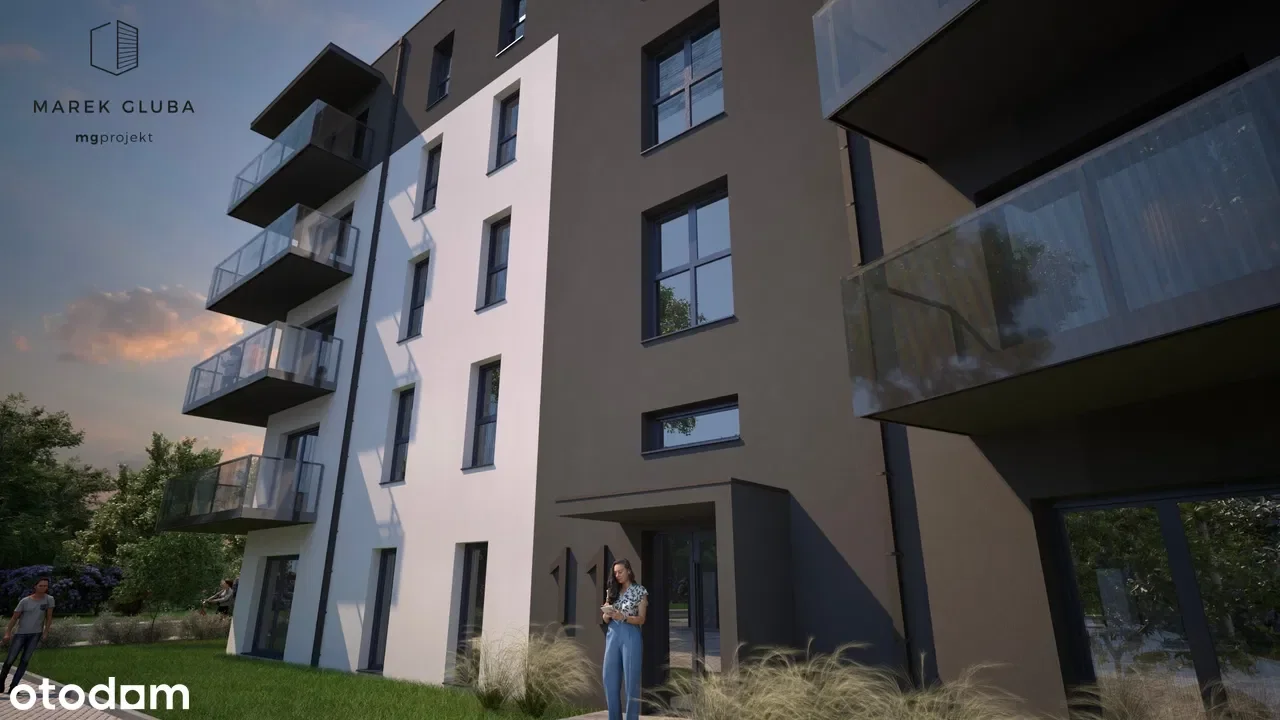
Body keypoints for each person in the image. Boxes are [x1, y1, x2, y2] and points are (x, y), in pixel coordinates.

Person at [600, 558, 647, 720]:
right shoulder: (612, 591)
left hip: (630, 635)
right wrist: (607, 614)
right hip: (613, 635)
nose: (617, 575)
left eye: (620, 572)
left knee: (631, 681)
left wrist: (624, 617)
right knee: (609, 678)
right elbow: (605, 619)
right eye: (615, 573)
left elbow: (642, 619)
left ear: (628, 571)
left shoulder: (640, 591)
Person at [2, 577, 55, 695]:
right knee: (10, 659)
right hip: (20, 634)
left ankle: (13, 688)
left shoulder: (49, 599)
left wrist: (46, 632)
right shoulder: (25, 601)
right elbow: (14, 618)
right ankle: (1, 682)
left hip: (35, 634)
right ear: (35, 586)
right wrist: (7, 633)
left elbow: (49, 617)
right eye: (41, 586)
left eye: (45, 586)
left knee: (25, 660)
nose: (43, 588)